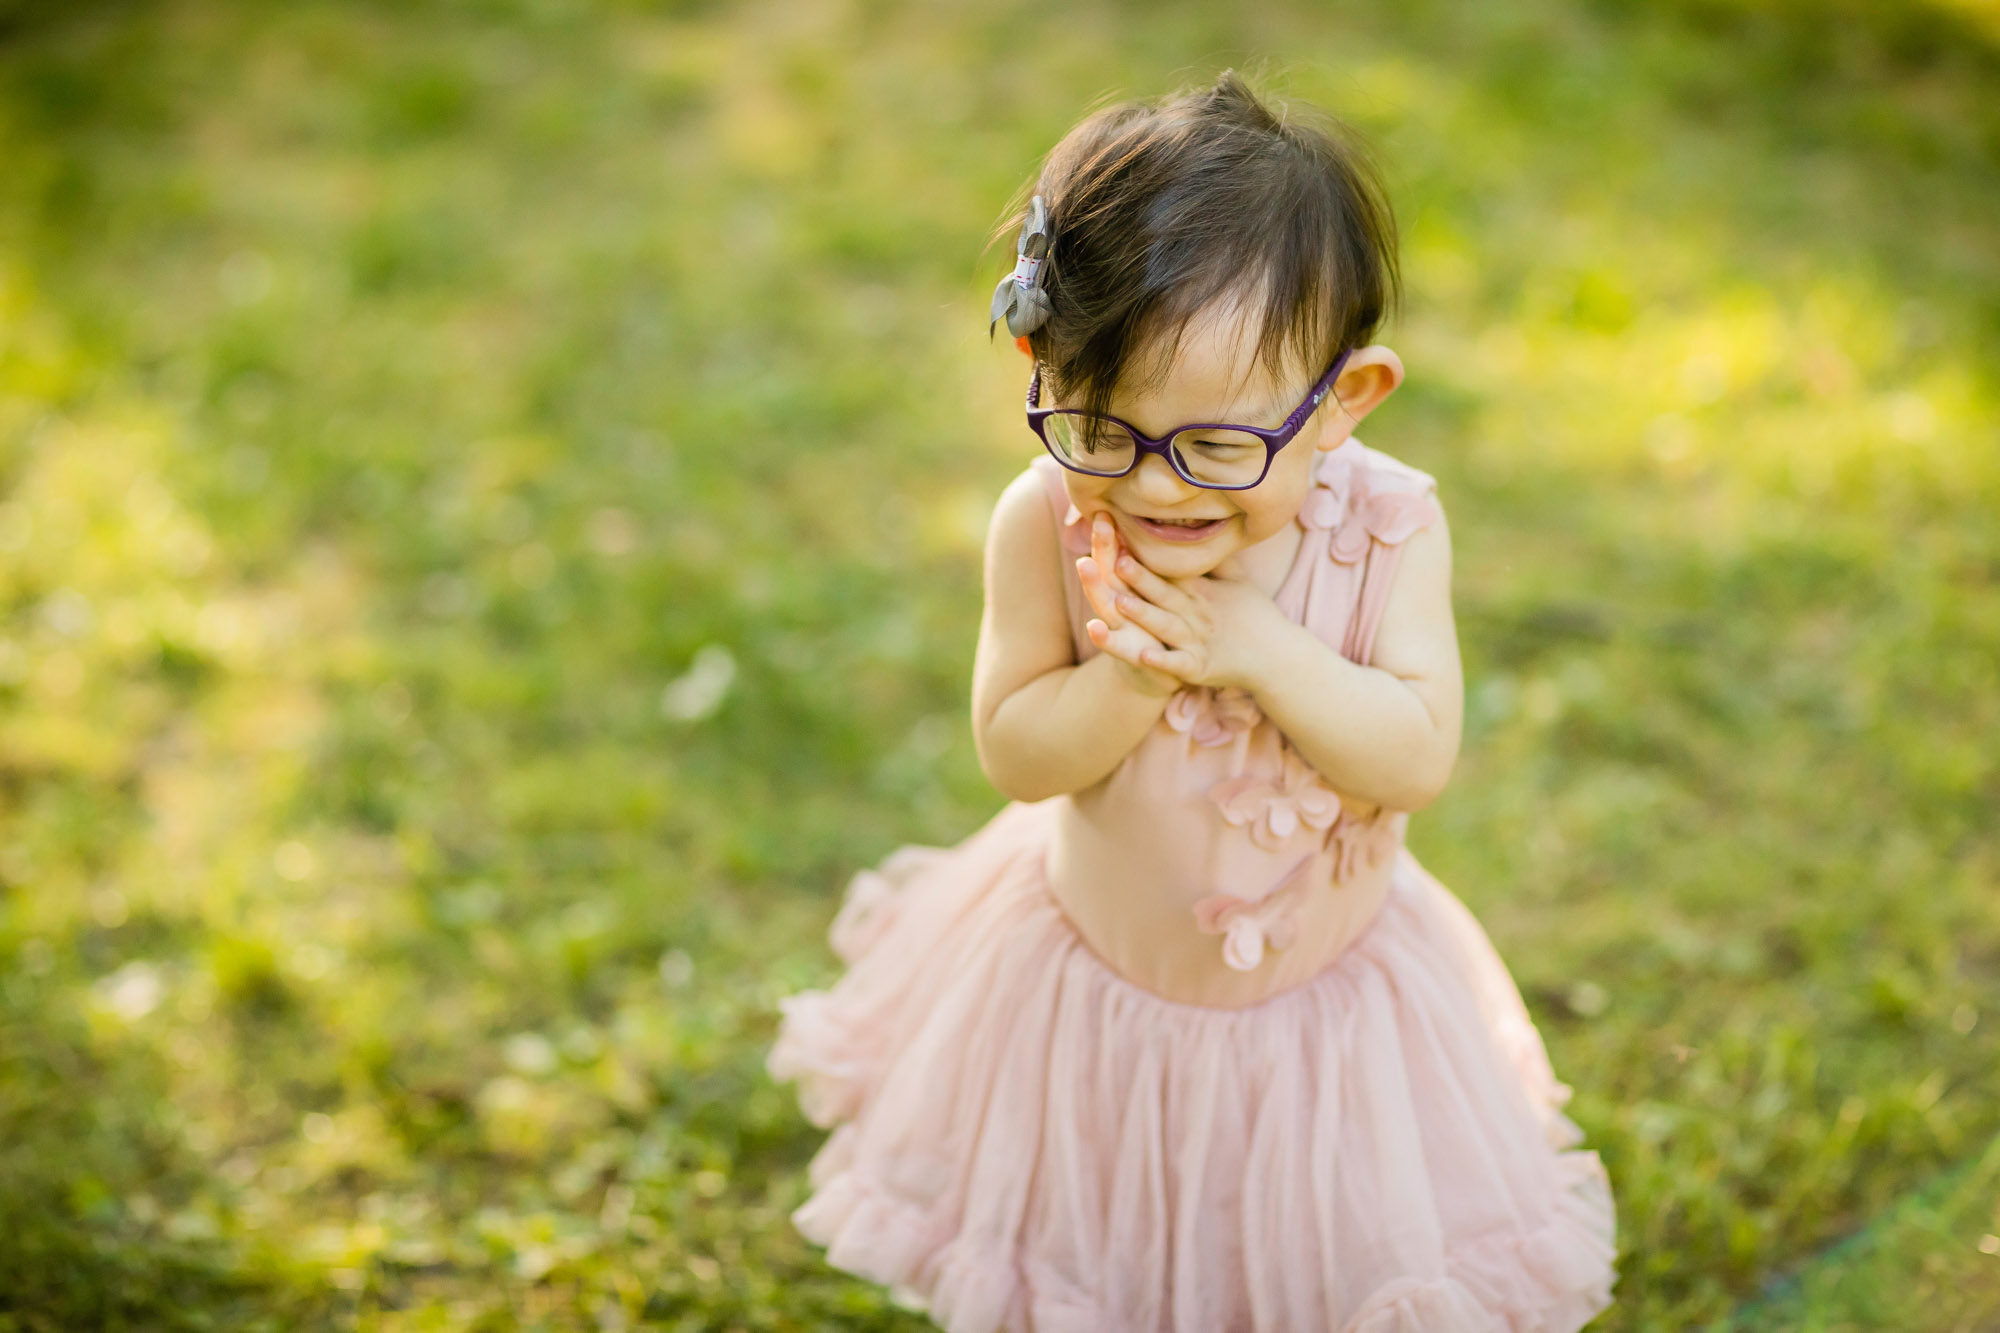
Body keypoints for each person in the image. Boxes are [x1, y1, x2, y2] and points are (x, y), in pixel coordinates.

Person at [767, 70, 1619, 1332]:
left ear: (1342, 400)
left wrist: (1261, 650)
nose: (1160, 488)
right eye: (1105, 428)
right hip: (1092, 989)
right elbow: (1015, 752)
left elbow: (1416, 754)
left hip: (1318, 1020)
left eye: (1220, 447)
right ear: (1038, 363)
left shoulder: (1385, 530)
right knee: (1097, 1237)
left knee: (1300, 1254)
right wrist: (1131, 672)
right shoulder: (1045, 521)